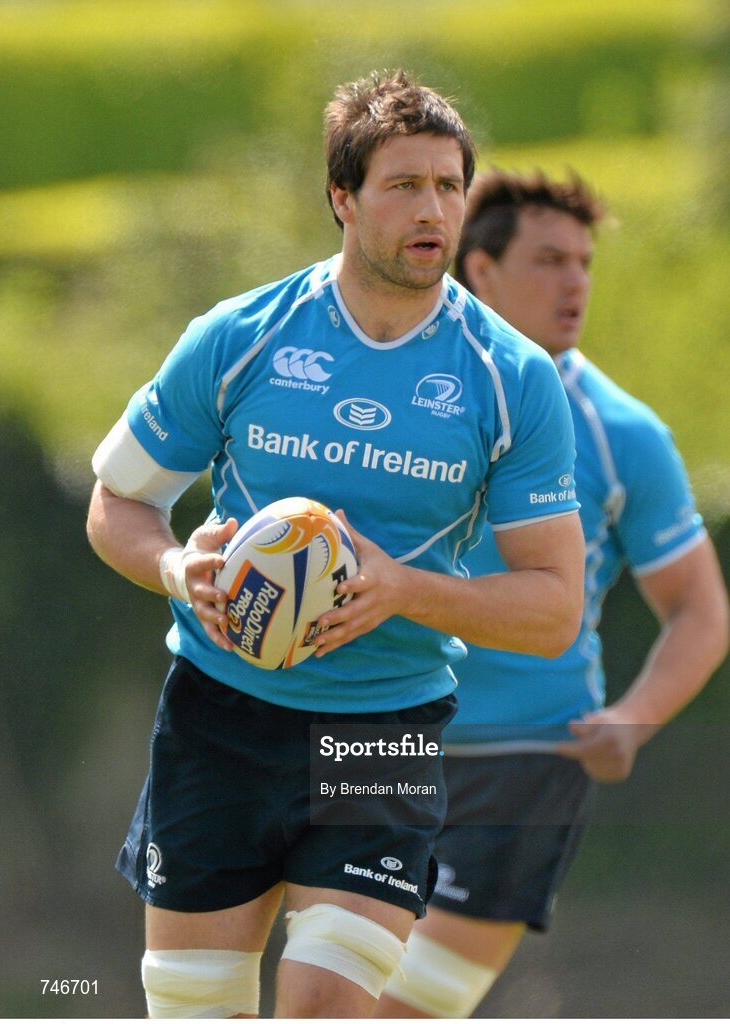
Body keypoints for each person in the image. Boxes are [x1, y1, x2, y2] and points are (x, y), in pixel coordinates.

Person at [87, 77, 586, 1020]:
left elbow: (554, 605)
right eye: (404, 186)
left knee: (325, 1007)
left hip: (383, 729)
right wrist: (174, 568)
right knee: (197, 1011)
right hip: (218, 720)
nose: (433, 208)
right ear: (343, 200)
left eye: (449, 185)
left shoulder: (511, 378)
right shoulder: (242, 336)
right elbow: (118, 500)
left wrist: (401, 588)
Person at [377, 169, 729, 1019]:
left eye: (583, 261)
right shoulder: (387, 394)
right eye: (548, 260)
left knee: (407, 1010)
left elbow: (701, 609)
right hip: (376, 740)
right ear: (480, 269)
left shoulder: (623, 434)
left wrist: (634, 717)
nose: (574, 282)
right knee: (322, 992)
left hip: (525, 762)